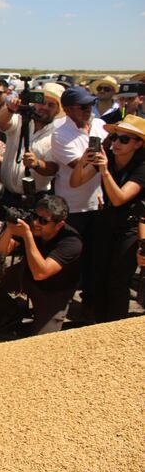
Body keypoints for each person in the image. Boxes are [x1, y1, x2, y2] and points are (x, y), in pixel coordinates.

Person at [70, 115, 145, 322]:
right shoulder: (108, 159)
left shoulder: (142, 167)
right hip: (105, 222)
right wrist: (82, 163)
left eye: (124, 139)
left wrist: (104, 172)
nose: (116, 143)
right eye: (114, 138)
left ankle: (116, 327)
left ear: (138, 144)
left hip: (129, 227)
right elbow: (75, 182)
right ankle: (100, 325)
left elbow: (120, 198)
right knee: (98, 277)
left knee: (118, 281)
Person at [0, 196, 82, 335]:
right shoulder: (32, 225)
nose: (36, 222)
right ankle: (12, 310)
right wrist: (9, 230)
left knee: (42, 340)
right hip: (25, 276)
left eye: (44, 221)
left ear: (59, 225)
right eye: (34, 216)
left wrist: (27, 235)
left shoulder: (72, 242)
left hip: (53, 293)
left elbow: (41, 273)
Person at [51, 86, 108, 308]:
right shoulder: (60, 135)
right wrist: (107, 159)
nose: (88, 110)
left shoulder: (102, 126)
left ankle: (89, 306)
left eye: (90, 105)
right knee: (70, 260)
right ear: (67, 110)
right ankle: (59, 306)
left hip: (99, 205)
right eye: (83, 106)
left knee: (95, 260)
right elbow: (80, 171)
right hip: (73, 207)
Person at [0, 83, 64, 206]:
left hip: (34, 199)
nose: (45, 107)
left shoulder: (57, 135)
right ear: (35, 103)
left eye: (51, 105)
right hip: (5, 195)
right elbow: (1, 122)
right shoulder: (20, 120)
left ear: (57, 110)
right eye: (42, 102)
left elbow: (54, 168)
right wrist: (10, 109)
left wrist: (37, 164)